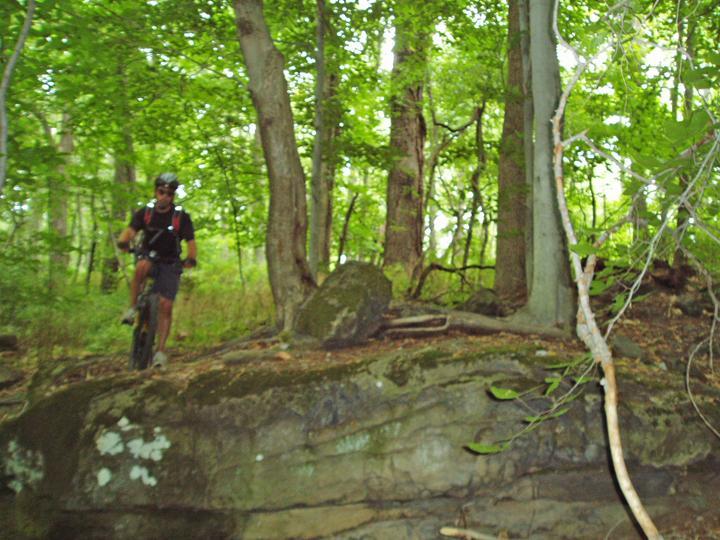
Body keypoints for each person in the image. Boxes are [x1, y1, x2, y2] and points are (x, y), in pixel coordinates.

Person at [116, 173, 197, 368]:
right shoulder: (146, 213)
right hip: (149, 256)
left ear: (173, 196)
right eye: (161, 192)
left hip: (170, 262)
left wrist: (191, 258)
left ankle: (160, 352)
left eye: (169, 194)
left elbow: (191, 242)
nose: (165, 196)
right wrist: (124, 241)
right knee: (141, 266)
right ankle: (133, 308)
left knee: (166, 306)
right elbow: (130, 231)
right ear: (155, 191)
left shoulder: (180, 217)